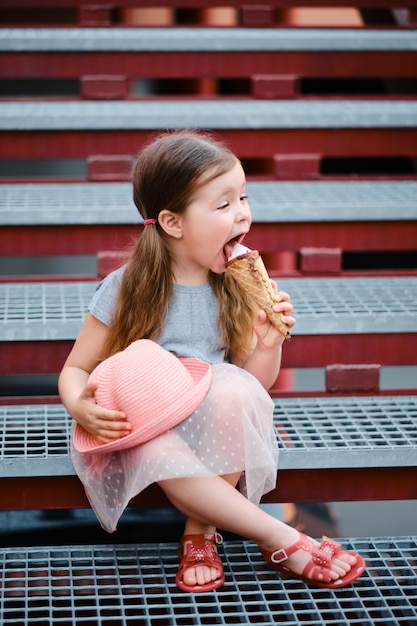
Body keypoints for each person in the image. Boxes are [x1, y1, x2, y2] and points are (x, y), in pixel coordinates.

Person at [58, 129, 365, 593]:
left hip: (211, 424)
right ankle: (281, 538)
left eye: (243, 197)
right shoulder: (125, 289)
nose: (241, 212)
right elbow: (75, 370)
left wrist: (268, 345)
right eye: (223, 205)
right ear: (173, 222)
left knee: (230, 383)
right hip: (142, 426)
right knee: (155, 442)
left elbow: (251, 389)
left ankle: (199, 532)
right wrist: (80, 406)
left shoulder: (236, 288)